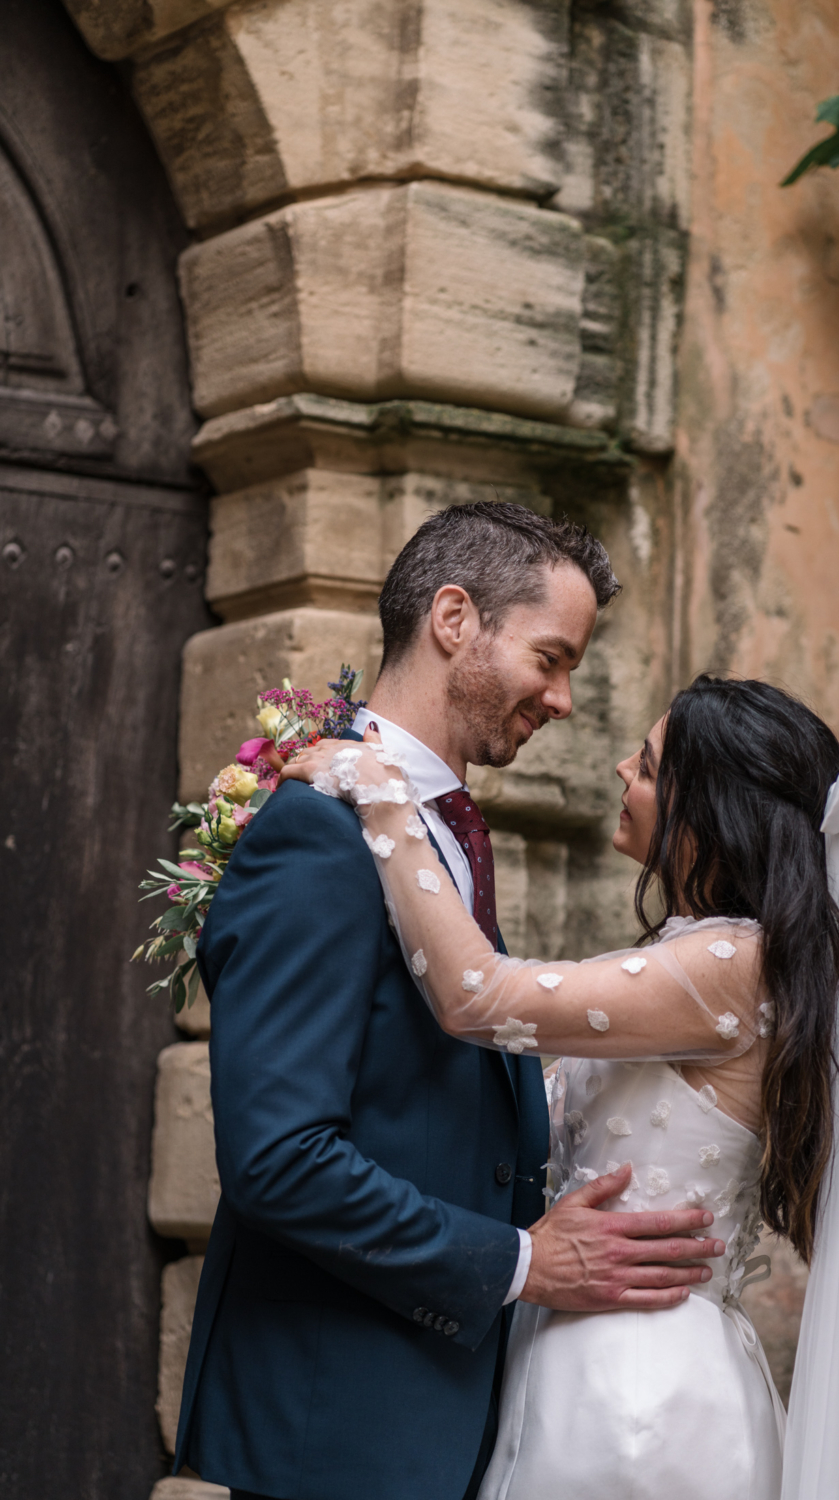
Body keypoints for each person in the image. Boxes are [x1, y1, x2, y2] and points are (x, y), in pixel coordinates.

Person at [173, 503, 731, 1500]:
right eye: (550, 658)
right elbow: (278, 1159)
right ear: (454, 617)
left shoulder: (428, 834)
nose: (563, 701)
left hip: (442, 1422)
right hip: (337, 1431)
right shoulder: (317, 835)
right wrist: (521, 1263)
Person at [296, 674, 839, 1500]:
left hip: (640, 1393)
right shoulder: (699, 952)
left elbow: (476, 996)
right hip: (582, 1352)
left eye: (653, 767)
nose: (624, 769)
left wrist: (385, 803)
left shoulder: (734, 965)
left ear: (715, 816)